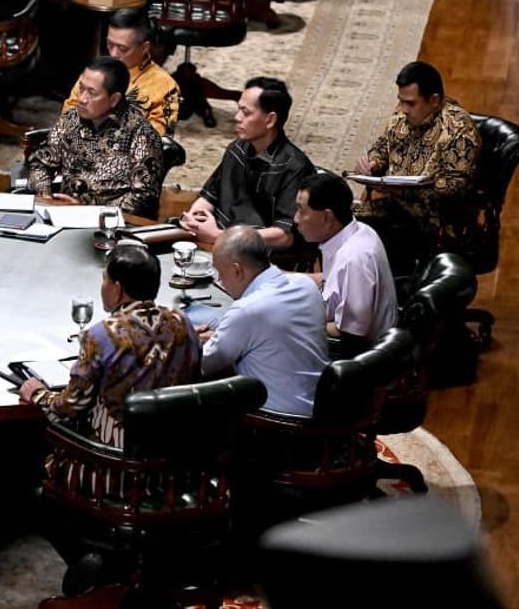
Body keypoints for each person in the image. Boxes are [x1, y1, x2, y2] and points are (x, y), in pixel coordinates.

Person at [18, 245, 201, 447]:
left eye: (104, 279)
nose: (102, 286)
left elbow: (72, 406)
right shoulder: (182, 321)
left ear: (117, 288)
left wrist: (38, 394)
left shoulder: (102, 334)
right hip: (177, 451)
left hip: (114, 457)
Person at [355, 61, 481, 260]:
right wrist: (373, 163)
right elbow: (382, 147)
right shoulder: (402, 116)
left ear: (434, 100)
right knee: (340, 220)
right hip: (395, 207)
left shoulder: (459, 130)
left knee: (368, 242)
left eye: (411, 103)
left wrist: (403, 191)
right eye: (401, 101)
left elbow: (455, 187)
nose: (403, 109)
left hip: (432, 220)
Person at [199, 226, 328, 416]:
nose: (220, 280)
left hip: (277, 419)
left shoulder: (246, 310)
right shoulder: (306, 285)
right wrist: (220, 337)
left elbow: (203, 366)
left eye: (220, 273)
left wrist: (187, 339)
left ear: (237, 270)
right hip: (322, 405)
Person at [181, 77, 315, 248]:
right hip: (219, 238)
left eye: (246, 112)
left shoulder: (295, 167)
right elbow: (210, 195)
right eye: (239, 109)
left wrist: (221, 236)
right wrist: (196, 216)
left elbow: (284, 235)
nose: (237, 117)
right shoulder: (237, 148)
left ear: (270, 120)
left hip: (254, 253)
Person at [27, 56, 164, 218]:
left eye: (92, 93)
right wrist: (45, 196)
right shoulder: (70, 119)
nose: (81, 99)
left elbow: (144, 199)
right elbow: (41, 164)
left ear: (114, 99)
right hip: (62, 215)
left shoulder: (141, 133)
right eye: (81, 89)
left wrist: (87, 210)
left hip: (112, 224)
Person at [293, 173, 397, 343]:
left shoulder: (354, 259)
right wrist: (282, 277)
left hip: (354, 353)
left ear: (327, 217)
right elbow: (334, 283)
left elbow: (350, 332)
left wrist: (296, 325)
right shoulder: (358, 230)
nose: (296, 219)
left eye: (301, 211)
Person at [61, 8, 180, 136]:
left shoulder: (165, 86)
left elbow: (158, 139)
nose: (113, 54)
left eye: (122, 48)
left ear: (145, 47)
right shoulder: (95, 72)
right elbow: (68, 115)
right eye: (110, 44)